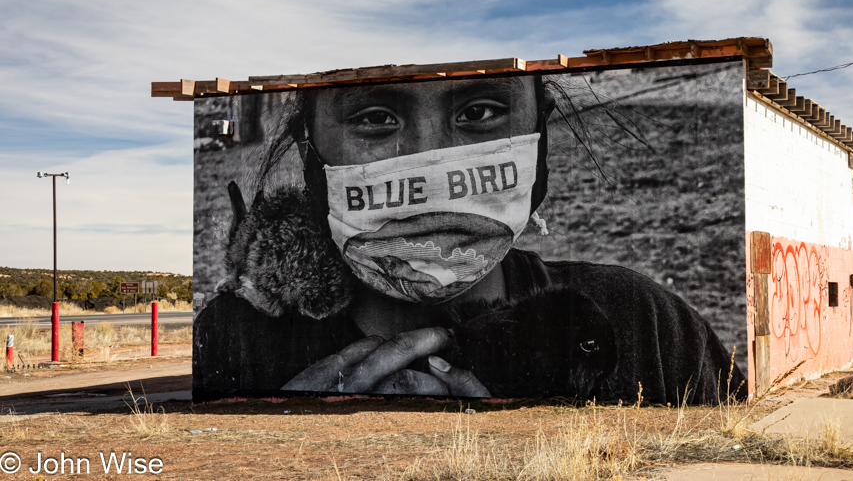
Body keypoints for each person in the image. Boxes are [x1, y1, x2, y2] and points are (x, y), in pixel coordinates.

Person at [193, 74, 745, 404]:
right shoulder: (235, 344)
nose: (432, 167)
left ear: (539, 133)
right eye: (376, 117)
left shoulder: (639, 323)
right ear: (310, 147)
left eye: (480, 112)